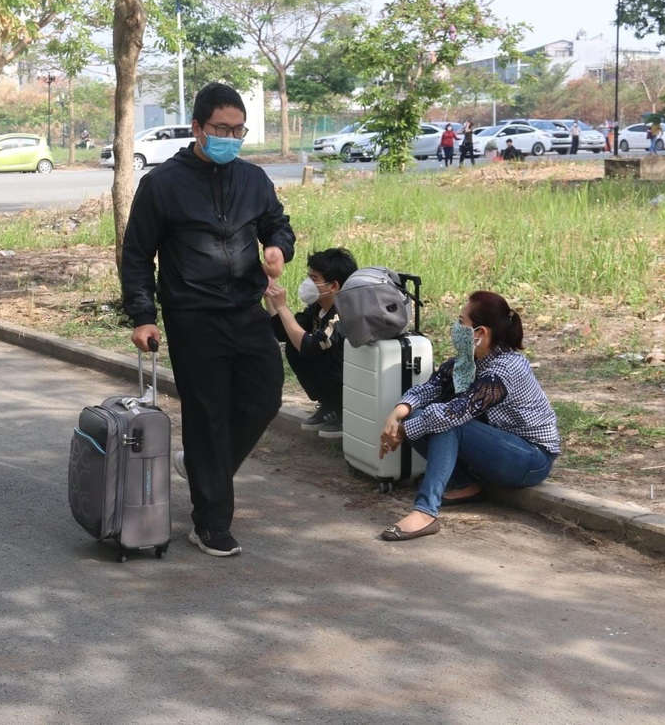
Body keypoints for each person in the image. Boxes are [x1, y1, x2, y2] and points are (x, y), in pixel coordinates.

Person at [121, 82, 296, 558]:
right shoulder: (162, 184)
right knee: (208, 414)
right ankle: (211, 522)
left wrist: (278, 245)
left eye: (239, 130)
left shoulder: (252, 180)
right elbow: (138, 255)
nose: (231, 137)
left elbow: (276, 222)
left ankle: (202, 468)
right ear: (197, 127)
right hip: (192, 315)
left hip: (245, 308)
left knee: (265, 398)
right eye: (222, 128)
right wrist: (142, 315)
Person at [377, 291, 561, 541]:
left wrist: (404, 431)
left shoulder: (505, 369)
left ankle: (425, 512)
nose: (455, 327)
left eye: (461, 322)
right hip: (496, 447)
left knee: (448, 422)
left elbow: (454, 414)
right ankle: (465, 485)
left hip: (531, 458)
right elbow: (432, 387)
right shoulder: (469, 360)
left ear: (480, 333)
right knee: (420, 416)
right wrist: (398, 413)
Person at [264, 247, 358, 440]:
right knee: (293, 345)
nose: (308, 283)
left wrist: (282, 306)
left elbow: (311, 347)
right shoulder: (318, 307)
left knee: (314, 350)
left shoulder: (342, 314)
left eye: (314, 279)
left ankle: (343, 410)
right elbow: (286, 332)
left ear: (333, 286)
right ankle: (329, 404)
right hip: (333, 375)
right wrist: (269, 296)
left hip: (352, 381)